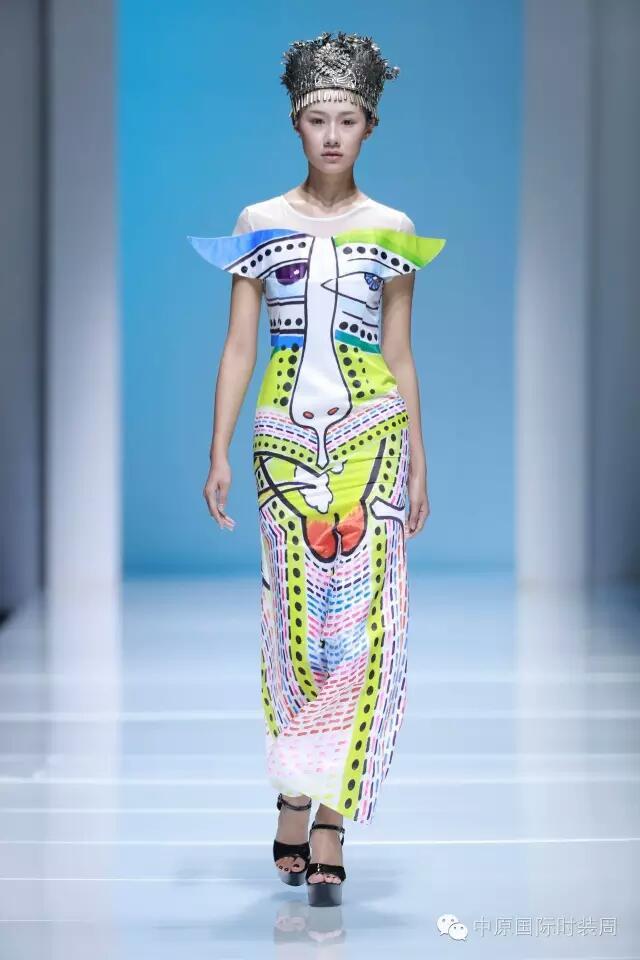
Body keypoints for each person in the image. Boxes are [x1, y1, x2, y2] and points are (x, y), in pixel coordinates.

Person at [188, 30, 446, 907]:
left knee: (366, 631)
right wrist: (219, 448)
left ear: (369, 126)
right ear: (295, 124)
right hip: (282, 440)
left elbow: (401, 355)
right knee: (296, 627)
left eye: (347, 119)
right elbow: (239, 347)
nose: (331, 134)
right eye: (316, 118)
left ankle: (330, 816)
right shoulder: (259, 221)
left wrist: (419, 459)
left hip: (375, 437)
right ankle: (293, 790)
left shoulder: (394, 230)